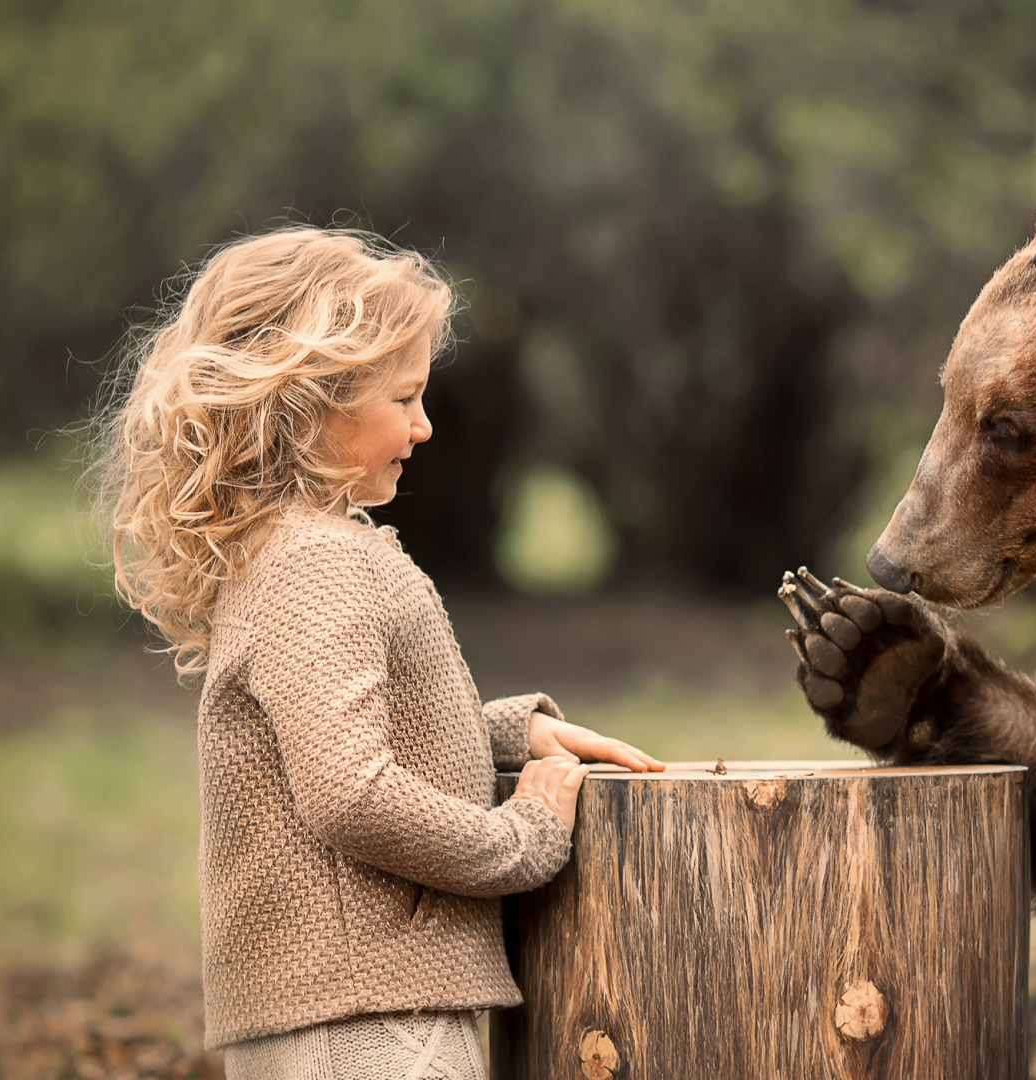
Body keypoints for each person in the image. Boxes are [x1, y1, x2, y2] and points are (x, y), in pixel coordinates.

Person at [94, 226, 662, 1079]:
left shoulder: (280, 549)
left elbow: (329, 732)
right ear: (308, 398)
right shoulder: (320, 561)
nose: (426, 427)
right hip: (373, 1022)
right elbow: (350, 793)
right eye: (404, 400)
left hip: (333, 1011)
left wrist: (508, 736)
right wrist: (522, 837)